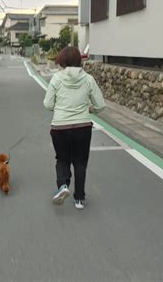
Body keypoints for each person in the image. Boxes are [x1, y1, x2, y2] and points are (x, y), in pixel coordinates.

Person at [43, 46, 105, 210]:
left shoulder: (56, 79)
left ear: (62, 61)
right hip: (82, 127)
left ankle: (63, 186)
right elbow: (100, 105)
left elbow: (47, 104)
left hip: (60, 128)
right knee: (80, 162)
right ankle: (79, 199)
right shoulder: (88, 79)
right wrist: (89, 108)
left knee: (62, 159)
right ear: (79, 60)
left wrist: (60, 108)